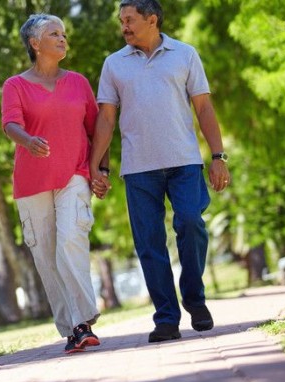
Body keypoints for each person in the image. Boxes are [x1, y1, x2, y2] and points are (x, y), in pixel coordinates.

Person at [89, 0, 231, 343]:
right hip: (138, 170)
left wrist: (218, 156)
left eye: (129, 19)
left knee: (191, 222)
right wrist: (98, 165)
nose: (123, 26)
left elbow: (204, 107)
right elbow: (106, 118)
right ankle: (166, 318)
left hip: (184, 162)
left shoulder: (184, 54)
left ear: (152, 20)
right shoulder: (114, 64)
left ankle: (195, 301)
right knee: (149, 245)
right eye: (121, 20)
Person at [1, 13, 102, 354]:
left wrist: (101, 168)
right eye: (53, 34)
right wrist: (28, 140)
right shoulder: (15, 85)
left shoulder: (78, 83)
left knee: (70, 241)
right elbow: (10, 124)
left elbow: (95, 129)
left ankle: (84, 320)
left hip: (74, 174)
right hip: (32, 183)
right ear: (34, 43)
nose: (62, 38)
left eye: (63, 33)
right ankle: (73, 327)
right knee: (46, 256)